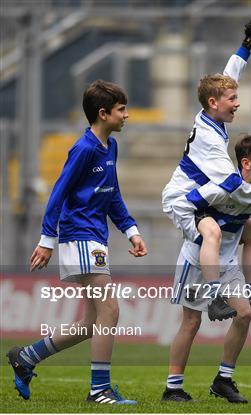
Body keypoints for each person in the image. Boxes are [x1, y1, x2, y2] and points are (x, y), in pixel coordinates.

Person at [7, 80, 147, 405]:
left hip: (94, 237)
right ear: (103, 113)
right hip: (80, 236)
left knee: (89, 322)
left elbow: (112, 195)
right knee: (110, 311)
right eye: (121, 109)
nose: (127, 115)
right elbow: (59, 192)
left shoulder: (109, 147)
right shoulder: (83, 149)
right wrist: (46, 240)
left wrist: (131, 230)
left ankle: (26, 357)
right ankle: (99, 391)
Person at [162, 20, 251, 324]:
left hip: (202, 195)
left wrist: (247, 44)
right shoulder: (210, 141)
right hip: (184, 200)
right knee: (213, 232)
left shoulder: (211, 115)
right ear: (213, 103)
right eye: (232, 100)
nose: (237, 103)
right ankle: (215, 294)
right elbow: (233, 183)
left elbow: (231, 73)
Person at [162, 135, 251, 404]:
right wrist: (200, 223)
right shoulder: (223, 186)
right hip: (197, 262)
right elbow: (187, 202)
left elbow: (241, 223)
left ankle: (223, 381)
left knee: (245, 313)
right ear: (246, 164)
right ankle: (173, 388)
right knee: (191, 323)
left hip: (227, 263)